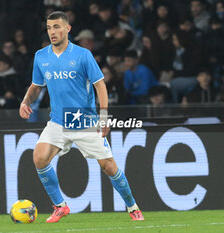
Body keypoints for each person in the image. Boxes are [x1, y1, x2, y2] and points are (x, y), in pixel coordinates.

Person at [19, 11, 144, 223]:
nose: (52, 32)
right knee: (39, 157)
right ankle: (60, 206)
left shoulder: (83, 55)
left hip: (83, 120)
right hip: (58, 120)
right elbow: (36, 86)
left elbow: (99, 85)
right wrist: (25, 101)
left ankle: (132, 206)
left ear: (68, 29)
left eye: (57, 27)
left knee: (109, 166)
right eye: (49, 28)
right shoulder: (41, 56)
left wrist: (103, 115)